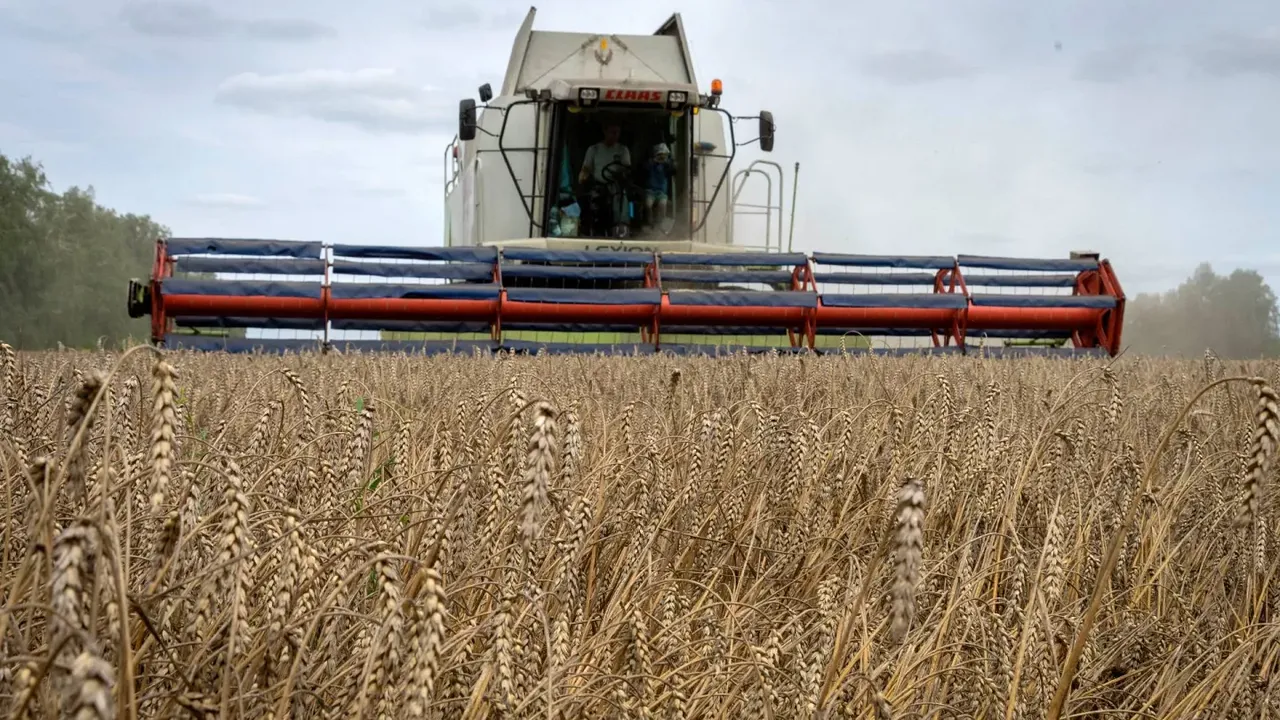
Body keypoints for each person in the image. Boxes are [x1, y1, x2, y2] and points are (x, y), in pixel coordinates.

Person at [579, 123, 631, 230]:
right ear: (605, 131)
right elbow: (586, 169)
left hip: (616, 186)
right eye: (612, 132)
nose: (615, 135)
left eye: (617, 132)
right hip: (598, 186)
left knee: (622, 198)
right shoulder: (594, 149)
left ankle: (621, 227)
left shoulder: (623, 150)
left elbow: (627, 170)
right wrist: (582, 179)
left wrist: (621, 175)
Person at [643, 142, 674, 229]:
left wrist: (667, 162)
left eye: (663, 155)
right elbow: (645, 168)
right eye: (659, 155)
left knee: (663, 205)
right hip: (650, 191)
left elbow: (673, 170)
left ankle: (661, 224)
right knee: (648, 205)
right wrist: (653, 161)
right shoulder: (650, 163)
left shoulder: (667, 165)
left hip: (662, 192)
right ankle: (650, 223)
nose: (661, 157)